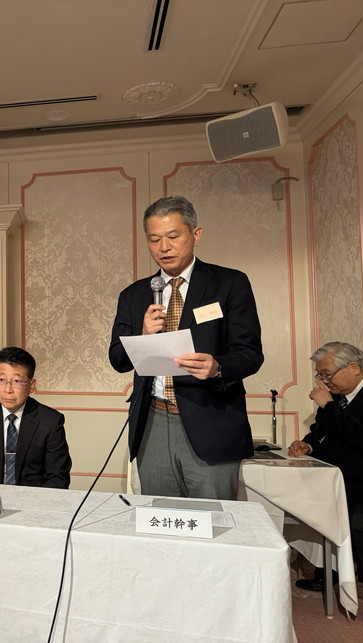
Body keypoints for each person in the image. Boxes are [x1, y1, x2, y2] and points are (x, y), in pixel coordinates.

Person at [108, 195, 263, 500]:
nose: (164, 247)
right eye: (154, 240)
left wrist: (218, 367)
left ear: (196, 234)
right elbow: (118, 359)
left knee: (213, 519)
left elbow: (250, 353)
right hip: (153, 421)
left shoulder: (229, 283)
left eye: (173, 236)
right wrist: (143, 334)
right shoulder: (134, 295)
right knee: (161, 517)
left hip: (211, 421)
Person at [288, 342, 363, 624]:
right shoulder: (338, 399)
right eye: (321, 375)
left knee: (362, 525)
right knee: (314, 513)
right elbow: (322, 431)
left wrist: (327, 404)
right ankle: (328, 574)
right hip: (336, 480)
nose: (324, 381)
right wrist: (308, 445)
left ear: (354, 367)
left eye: (327, 374)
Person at [0, 347, 72, 488]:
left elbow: (57, 477)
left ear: (31, 385)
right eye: (1, 380)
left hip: (34, 496)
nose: (8, 389)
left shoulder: (50, 421)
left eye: (16, 381)